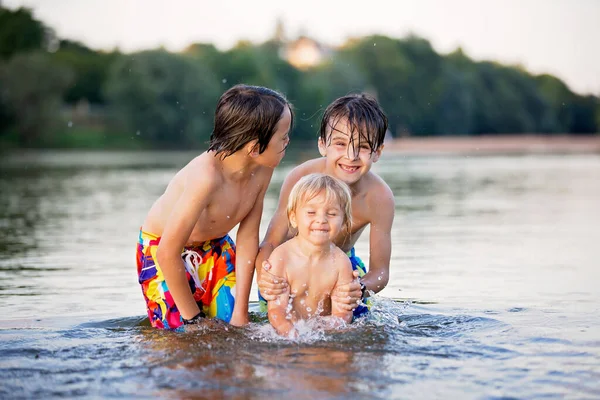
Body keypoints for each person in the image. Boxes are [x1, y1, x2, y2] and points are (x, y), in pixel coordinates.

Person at [136, 84, 293, 329]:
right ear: (254, 148)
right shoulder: (205, 177)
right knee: (183, 335)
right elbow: (167, 252)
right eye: (283, 138)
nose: (288, 142)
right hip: (162, 250)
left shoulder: (263, 169)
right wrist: (193, 320)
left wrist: (241, 311)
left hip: (215, 246)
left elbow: (248, 237)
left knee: (230, 328)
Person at [256, 93, 394, 318]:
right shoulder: (301, 177)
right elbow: (270, 243)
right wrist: (266, 278)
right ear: (323, 144)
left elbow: (381, 272)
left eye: (363, 147)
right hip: (291, 264)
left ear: (377, 152)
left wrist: (359, 288)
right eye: (340, 144)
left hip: (339, 266)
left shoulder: (379, 198)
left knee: (347, 331)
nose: (351, 156)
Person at [267, 173, 355, 337]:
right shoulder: (282, 257)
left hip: (321, 332)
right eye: (311, 212)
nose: (321, 219)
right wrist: (291, 334)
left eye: (332, 214)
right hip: (288, 331)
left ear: (343, 222)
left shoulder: (341, 262)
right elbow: (276, 311)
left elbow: (343, 313)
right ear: (293, 218)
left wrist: (328, 330)